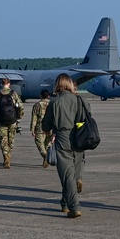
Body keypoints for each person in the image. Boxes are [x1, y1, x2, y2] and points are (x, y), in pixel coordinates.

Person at [41, 74, 87, 218]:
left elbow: (45, 126)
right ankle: (65, 203)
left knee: (67, 174)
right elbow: (87, 118)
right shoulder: (80, 100)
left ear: (57, 85)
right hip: (80, 138)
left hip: (63, 138)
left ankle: (75, 206)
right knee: (71, 172)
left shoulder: (55, 102)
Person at [0, 77, 24, 168]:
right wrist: (19, 117)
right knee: (11, 139)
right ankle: (9, 155)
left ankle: (5, 156)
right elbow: (20, 106)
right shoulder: (13, 94)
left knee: (3, 139)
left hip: (1, 120)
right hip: (13, 120)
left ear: (1, 84)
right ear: (9, 84)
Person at [30, 89, 54, 168]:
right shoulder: (52, 104)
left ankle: (45, 156)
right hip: (51, 128)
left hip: (40, 127)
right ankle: (47, 157)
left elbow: (34, 118)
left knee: (40, 144)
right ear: (48, 96)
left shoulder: (37, 105)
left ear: (41, 96)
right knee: (48, 144)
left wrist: (32, 129)